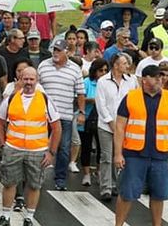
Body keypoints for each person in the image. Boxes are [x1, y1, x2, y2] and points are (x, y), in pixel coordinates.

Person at [111, 64, 168, 226]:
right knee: (127, 193)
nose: (160, 80)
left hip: (160, 155)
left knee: (159, 194)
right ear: (144, 79)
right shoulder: (131, 97)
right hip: (134, 154)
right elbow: (120, 127)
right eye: (155, 77)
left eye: (161, 77)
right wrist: (118, 154)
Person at [0, 67, 62, 226]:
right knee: (9, 183)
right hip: (13, 149)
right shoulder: (11, 99)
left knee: (34, 184)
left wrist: (51, 152)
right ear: (20, 80)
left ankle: (29, 218)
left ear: (37, 81)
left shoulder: (45, 100)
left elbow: (57, 127)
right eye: (25, 79)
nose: (29, 82)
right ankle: (5, 217)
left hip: (37, 150)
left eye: (32, 79)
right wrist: (3, 144)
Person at [37, 39, 85, 191]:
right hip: (43, 115)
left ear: (67, 52)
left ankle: (61, 179)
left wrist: (82, 112)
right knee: (40, 147)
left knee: (64, 148)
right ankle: (37, 177)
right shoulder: (43, 65)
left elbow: (80, 93)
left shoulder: (75, 69)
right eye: (54, 50)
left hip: (64, 115)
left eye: (59, 50)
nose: (55, 53)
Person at [95, 53, 139, 201]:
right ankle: (106, 187)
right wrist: (111, 123)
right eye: (125, 63)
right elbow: (101, 104)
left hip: (126, 125)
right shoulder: (103, 81)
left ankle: (115, 184)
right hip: (106, 125)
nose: (127, 66)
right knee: (107, 156)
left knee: (118, 155)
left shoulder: (132, 81)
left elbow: (135, 100)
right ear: (116, 65)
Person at [80, 58, 108, 186]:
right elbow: (79, 98)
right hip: (87, 117)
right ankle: (86, 174)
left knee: (101, 148)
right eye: (100, 70)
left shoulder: (107, 83)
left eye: (105, 71)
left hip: (102, 119)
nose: (102, 73)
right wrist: (90, 100)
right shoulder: (87, 82)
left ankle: (99, 172)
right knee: (85, 146)